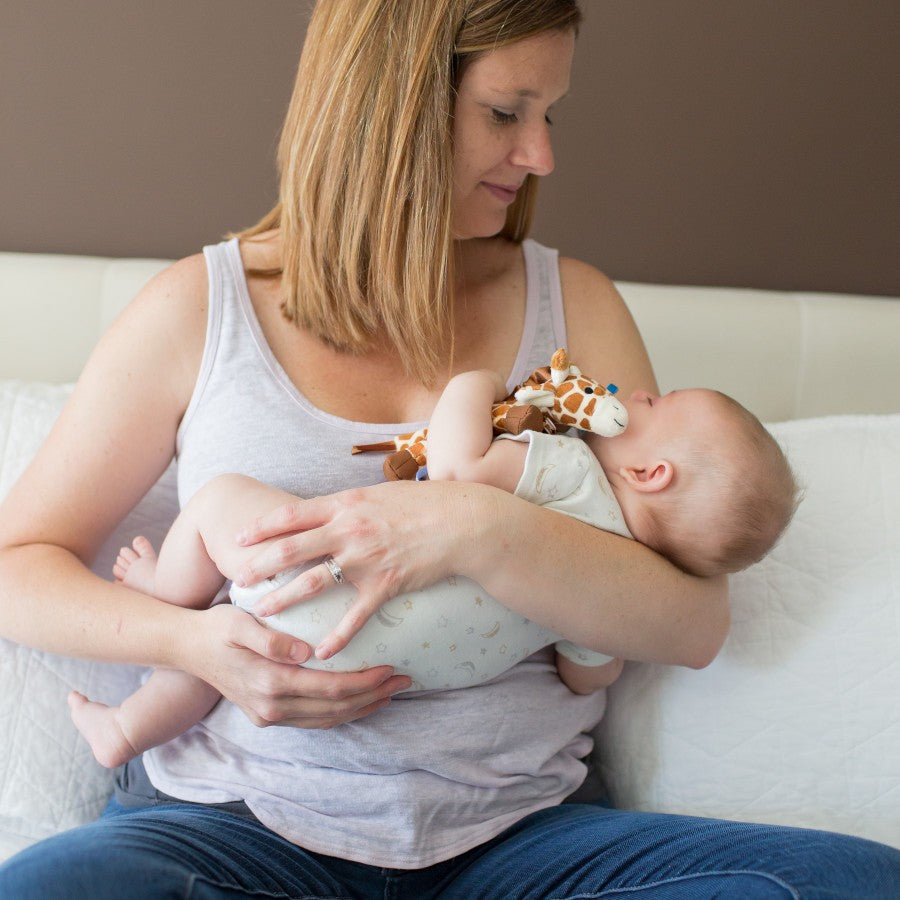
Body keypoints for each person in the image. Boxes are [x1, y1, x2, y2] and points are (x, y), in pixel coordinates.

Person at [0, 1, 897, 896]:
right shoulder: (201, 309)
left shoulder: (573, 304)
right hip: (230, 829)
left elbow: (692, 624)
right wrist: (196, 647)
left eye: (549, 115)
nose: (542, 154)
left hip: (521, 844)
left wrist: (474, 524)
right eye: (508, 113)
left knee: (851, 884)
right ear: (389, 109)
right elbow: (16, 564)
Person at [68, 362, 798, 771]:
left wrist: (478, 385)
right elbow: (587, 674)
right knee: (226, 642)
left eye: (658, 402)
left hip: (313, 583)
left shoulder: (570, 470)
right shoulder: (610, 588)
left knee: (223, 510)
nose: (637, 393)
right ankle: (127, 730)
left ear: (651, 473)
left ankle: (163, 596)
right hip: (357, 674)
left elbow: (455, 465)